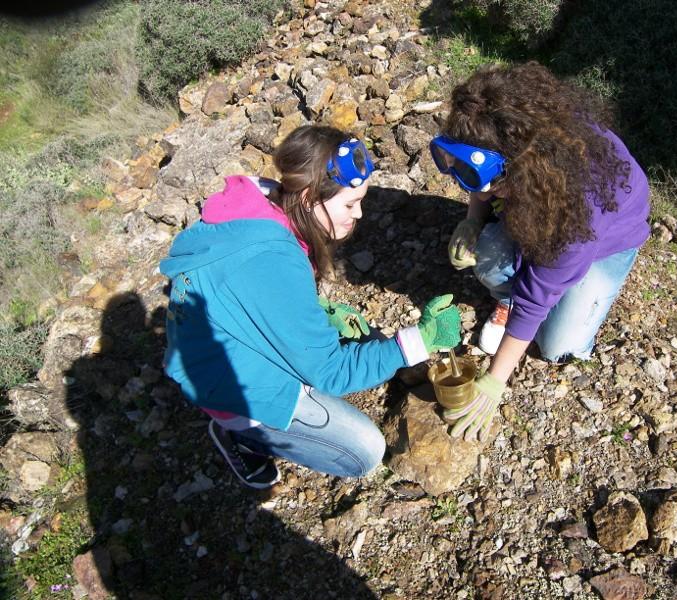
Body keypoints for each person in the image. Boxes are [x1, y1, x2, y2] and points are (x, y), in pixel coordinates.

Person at [160, 125, 461, 488]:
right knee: (364, 451)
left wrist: (317, 308)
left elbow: (246, 294)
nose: (360, 214)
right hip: (231, 389)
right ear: (307, 197)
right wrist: (422, 339)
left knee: (364, 344)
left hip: (217, 349)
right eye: (350, 204)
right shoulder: (272, 260)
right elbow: (331, 375)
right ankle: (239, 433)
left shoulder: (263, 207)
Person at [429, 61, 650, 441]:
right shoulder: (510, 141)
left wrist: (495, 381)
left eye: (485, 180)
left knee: (557, 346)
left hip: (606, 240)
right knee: (488, 256)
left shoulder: (580, 201)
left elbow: (535, 299)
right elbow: (480, 176)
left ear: (524, 168)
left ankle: (578, 296)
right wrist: (474, 220)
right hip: (534, 204)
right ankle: (509, 299)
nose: (473, 185)